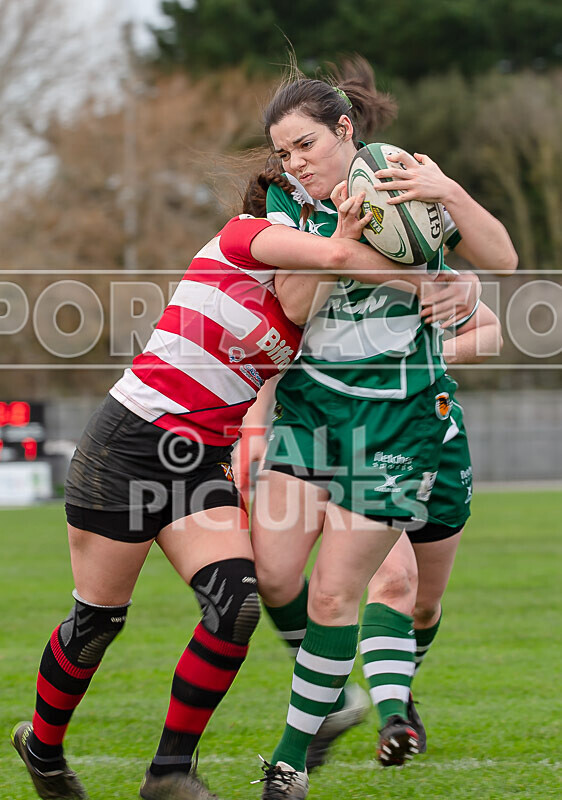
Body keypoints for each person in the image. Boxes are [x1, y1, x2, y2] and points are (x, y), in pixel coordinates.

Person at [10, 166, 467, 800]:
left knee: (237, 605)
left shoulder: (304, 306)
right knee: (97, 622)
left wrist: (454, 281)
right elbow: (336, 248)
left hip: (195, 465)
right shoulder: (244, 235)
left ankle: (170, 772)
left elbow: (346, 292)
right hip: (127, 444)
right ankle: (43, 746)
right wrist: (432, 275)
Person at [250, 56, 517, 798]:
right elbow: (297, 309)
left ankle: (299, 756)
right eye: (283, 152)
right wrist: (340, 240)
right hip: (311, 411)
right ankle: (337, 692)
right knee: (273, 575)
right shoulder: (285, 206)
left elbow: (501, 257)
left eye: (305, 144)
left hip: (399, 420)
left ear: (343, 129)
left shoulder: (405, 181)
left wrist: (449, 194)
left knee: (388, 589)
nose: (293, 161)